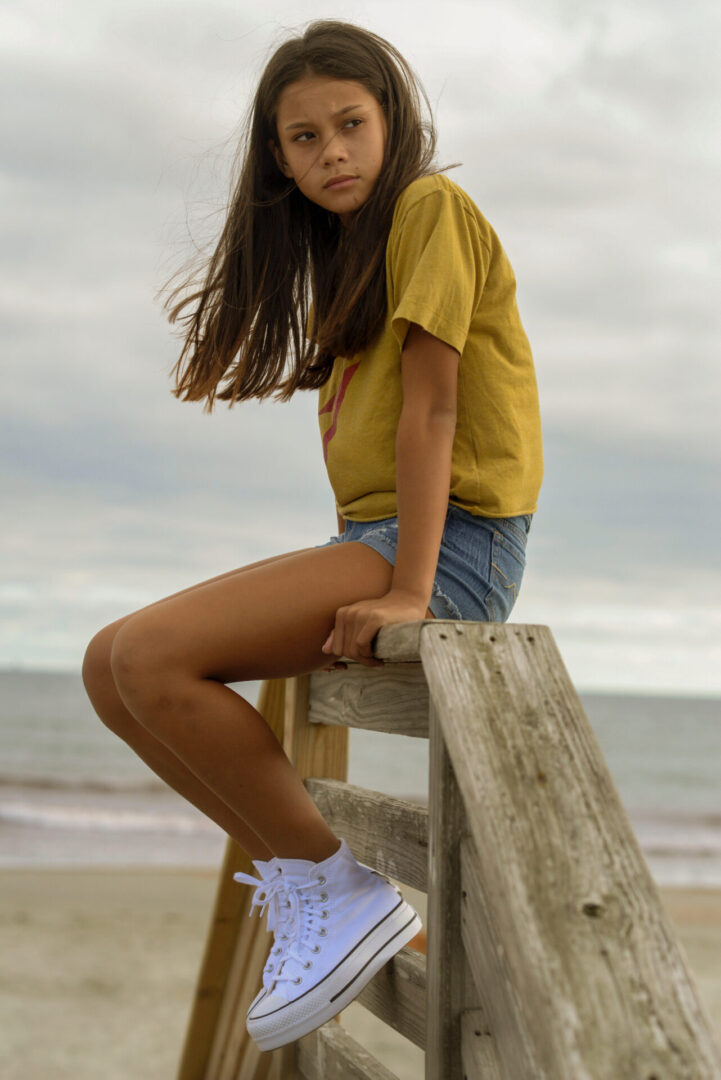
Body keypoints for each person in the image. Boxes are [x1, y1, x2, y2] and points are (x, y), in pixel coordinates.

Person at [81, 18, 542, 1052]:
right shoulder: (352, 263)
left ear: (393, 123)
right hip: (390, 535)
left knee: (151, 658)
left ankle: (337, 887)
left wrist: (411, 589)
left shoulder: (429, 207)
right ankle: (311, 880)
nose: (331, 151)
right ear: (278, 160)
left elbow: (435, 414)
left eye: (350, 124)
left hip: (453, 544)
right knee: (110, 666)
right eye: (303, 139)